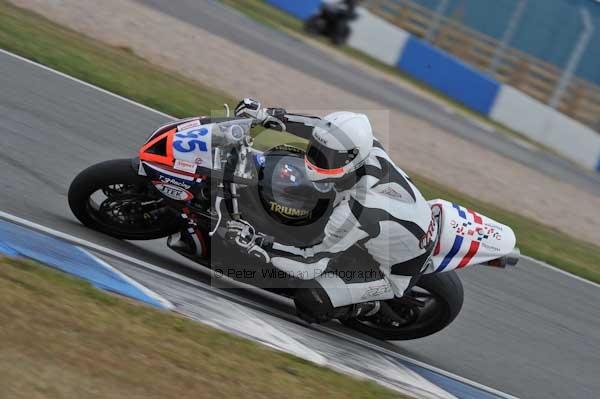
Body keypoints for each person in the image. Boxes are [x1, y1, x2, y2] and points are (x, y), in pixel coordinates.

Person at [230, 98, 437, 323]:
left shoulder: (359, 208)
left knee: (311, 299)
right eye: (317, 151)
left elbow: (309, 263)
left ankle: (368, 306)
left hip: (395, 269)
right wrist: (267, 115)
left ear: (349, 159)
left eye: (326, 157)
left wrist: (256, 243)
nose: (315, 158)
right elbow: (317, 129)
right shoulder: (364, 146)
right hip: (397, 222)